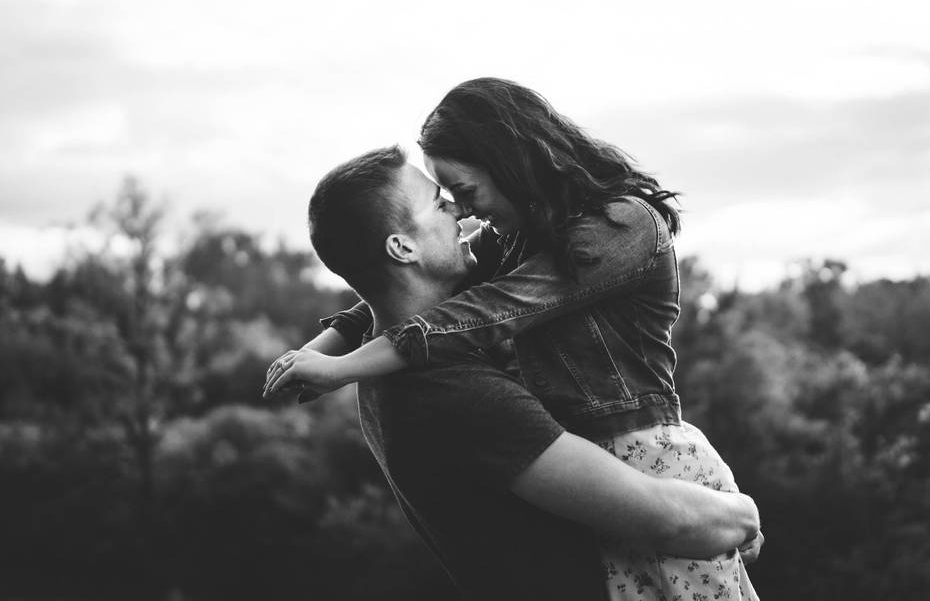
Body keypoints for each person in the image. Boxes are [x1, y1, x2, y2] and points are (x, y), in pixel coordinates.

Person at [265, 78, 761, 599]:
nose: (464, 212)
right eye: (443, 203)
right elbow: (673, 522)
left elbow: (456, 311)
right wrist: (742, 510)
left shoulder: (608, 229)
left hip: (650, 454)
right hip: (640, 490)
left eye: (463, 193)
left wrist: (330, 360)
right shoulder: (452, 388)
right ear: (402, 247)